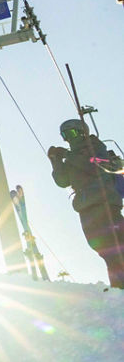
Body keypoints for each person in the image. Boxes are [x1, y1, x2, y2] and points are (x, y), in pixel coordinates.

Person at [49, 119, 124, 289]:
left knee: (117, 245)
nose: (69, 138)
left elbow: (95, 166)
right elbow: (62, 181)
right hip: (85, 208)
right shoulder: (71, 158)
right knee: (103, 248)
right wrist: (55, 161)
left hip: (104, 203)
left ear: (82, 131)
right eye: (65, 135)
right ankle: (118, 287)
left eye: (72, 133)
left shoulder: (95, 146)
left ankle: (120, 285)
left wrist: (67, 155)